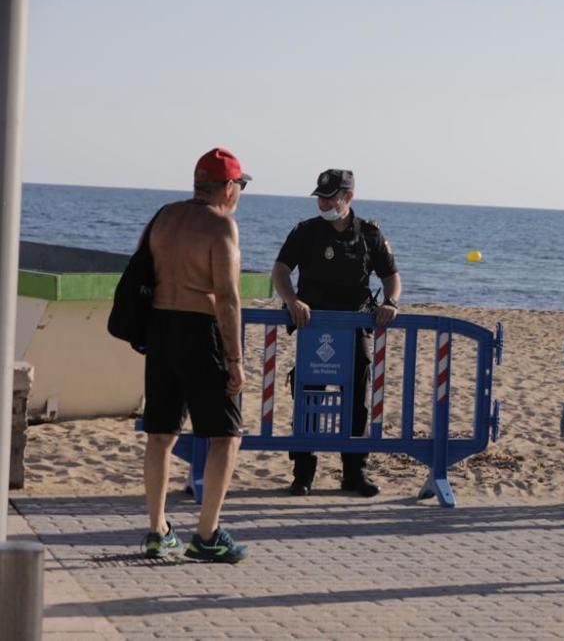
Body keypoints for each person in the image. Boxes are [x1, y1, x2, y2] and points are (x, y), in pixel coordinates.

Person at [140, 147, 250, 563]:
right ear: (226, 186)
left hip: (161, 327)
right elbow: (227, 297)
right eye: (238, 185)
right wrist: (235, 359)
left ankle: (156, 529)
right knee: (225, 436)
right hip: (200, 331)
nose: (238, 192)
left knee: (161, 433)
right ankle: (206, 535)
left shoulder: (165, 215)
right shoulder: (222, 226)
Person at [272, 168, 401, 497]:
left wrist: (392, 302)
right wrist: (292, 300)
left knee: (357, 402)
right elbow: (281, 270)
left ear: (348, 197)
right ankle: (303, 473)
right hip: (313, 327)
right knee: (308, 398)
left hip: (355, 325)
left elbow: (391, 276)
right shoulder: (306, 232)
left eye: (330, 197)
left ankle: (354, 473)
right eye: (321, 197)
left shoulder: (369, 233)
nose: (324, 203)